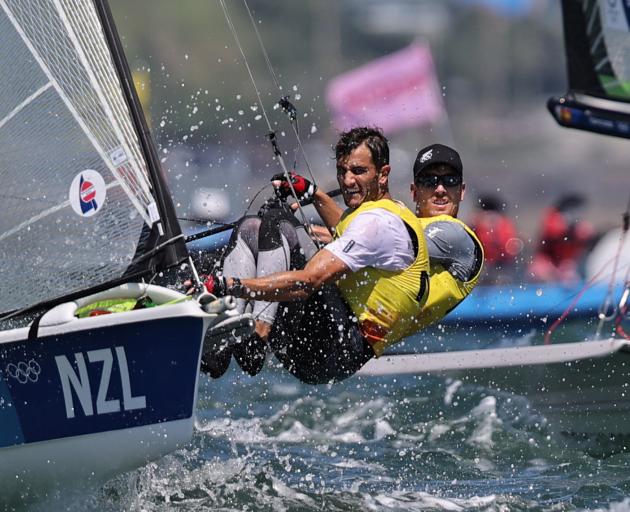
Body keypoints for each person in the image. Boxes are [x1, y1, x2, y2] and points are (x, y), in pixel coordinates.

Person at [197, 126, 430, 384]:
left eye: (359, 171)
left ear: (383, 174)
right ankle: (221, 344)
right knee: (250, 227)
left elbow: (308, 282)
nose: (348, 180)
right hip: (330, 338)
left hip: (337, 349)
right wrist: (314, 194)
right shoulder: (384, 210)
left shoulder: (378, 223)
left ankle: (258, 336)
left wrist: (229, 285)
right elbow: (345, 229)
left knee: (278, 222)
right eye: (342, 171)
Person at [407, 143, 484, 330]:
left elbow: (390, 245)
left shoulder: (455, 234)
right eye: (428, 180)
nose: (440, 189)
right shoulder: (404, 222)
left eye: (450, 180)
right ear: (414, 191)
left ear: (462, 191)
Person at [528, 193, 595, 283]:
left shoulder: (580, 227)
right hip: (546, 262)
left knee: (571, 277)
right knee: (540, 275)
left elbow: (588, 236)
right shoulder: (553, 218)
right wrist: (569, 225)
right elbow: (553, 232)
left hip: (566, 264)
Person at [468, 193, 521, 284]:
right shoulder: (473, 225)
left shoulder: (503, 226)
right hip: (485, 267)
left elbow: (511, 253)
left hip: (502, 268)